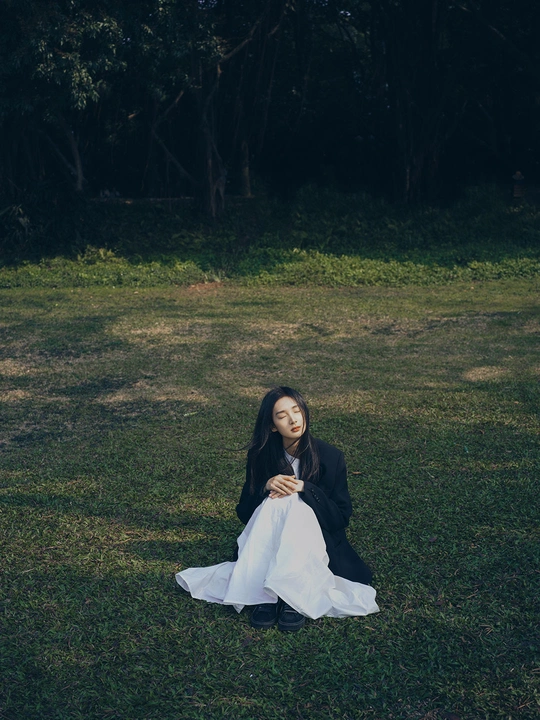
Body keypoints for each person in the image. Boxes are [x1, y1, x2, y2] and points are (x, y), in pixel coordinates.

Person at [176, 386, 379, 631]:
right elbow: (244, 512)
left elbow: (340, 517)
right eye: (282, 416)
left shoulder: (330, 457)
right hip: (269, 536)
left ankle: (290, 594)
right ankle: (267, 595)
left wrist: (306, 488)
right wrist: (265, 486)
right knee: (278, 498)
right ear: (272, 425)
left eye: (297, 411)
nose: (293, 420)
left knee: (292, 499)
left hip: (315, 539)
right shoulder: (261, 456)